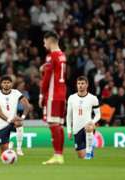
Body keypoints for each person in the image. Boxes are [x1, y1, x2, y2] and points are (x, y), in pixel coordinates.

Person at [39, 31, 67, 165]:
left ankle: (57, 155)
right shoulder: (62, 55)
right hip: (61, 93)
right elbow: (55, 71)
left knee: (53, 124)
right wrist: (45, 67)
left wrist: (41, 94)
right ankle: (59, 155)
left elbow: (46, 78)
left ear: (50, 41)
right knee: (58, 125)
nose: (44, 45)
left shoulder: (51, 56)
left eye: (44, 42)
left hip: (52, 94)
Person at [0, 76, 30, 156]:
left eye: (8, 82)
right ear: (1, 84)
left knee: (19, 123)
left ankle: (19, 148)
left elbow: (26, 104)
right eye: (4, 83)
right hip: (2, 124)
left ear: (11, 84)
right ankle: (9, 145)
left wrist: (22, 117)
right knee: (3, 153)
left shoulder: (16, 93)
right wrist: (9, 120)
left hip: (13, 121)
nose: (6, 84)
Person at [67, 76, 101, 159]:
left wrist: (92, 122)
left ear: (87, 85)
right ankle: (90, 151)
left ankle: (89, 152)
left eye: (82, 83)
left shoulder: (93, 98)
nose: (80, 85)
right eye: (78, 83)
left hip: (88, 126)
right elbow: (69, 115)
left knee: (89, 127)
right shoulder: (71, 98)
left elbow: (98, 115)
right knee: (81, 156)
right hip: (76, 129)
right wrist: (69, 130)